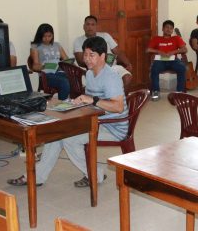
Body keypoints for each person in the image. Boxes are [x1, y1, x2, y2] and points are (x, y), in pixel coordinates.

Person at [8, 36, 129, 187]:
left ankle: (95, 174)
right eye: (85, 55)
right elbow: (92, 99)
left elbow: (118, 107)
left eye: (92, 55)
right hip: (97, 120)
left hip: (113, 127)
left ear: (103, 56)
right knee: (56, 134)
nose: (87, 59)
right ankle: (37, 176)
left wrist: (93, 101)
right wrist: (76, 102)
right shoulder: (91, 73)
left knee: (69, 139)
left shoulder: (110, 77)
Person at [73, 15, 132, 86]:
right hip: (92, 70)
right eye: (88, 24)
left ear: (96, 26)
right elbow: (80, 61)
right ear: (84, 26)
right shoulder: (78, 41)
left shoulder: (105, 36)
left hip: (112, 67)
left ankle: (122, 97)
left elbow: (118, 52)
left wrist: (127, 63)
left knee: (127, 77)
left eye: (92, 25)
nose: (90, 27)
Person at [147, 20, 187, 101]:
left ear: (172, 30)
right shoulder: (156, 38)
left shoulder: (176, 38)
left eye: (171, 28)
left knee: (182, 68)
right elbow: (148, 50)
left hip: (173, 59)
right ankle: (156, 92)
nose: (169, 29)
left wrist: (173, 52)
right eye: (167, 27)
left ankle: (180, 92)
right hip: (160, 60)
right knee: (154, 68)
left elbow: (184, 49)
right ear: (162, 29)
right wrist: (159, 51)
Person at [30, 23, 70, 100]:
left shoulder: (57, 45)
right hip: (47, 74)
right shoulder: (35, 46)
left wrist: (72, 64)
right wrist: (44, 66)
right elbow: (34, 66)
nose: (47, 38)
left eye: (49, 36)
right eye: (44, 36)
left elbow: (66, 60)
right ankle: (62, 104)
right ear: (40, 35)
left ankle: (73, 103)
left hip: (59, 72)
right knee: (64, 81)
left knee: (73, 79)